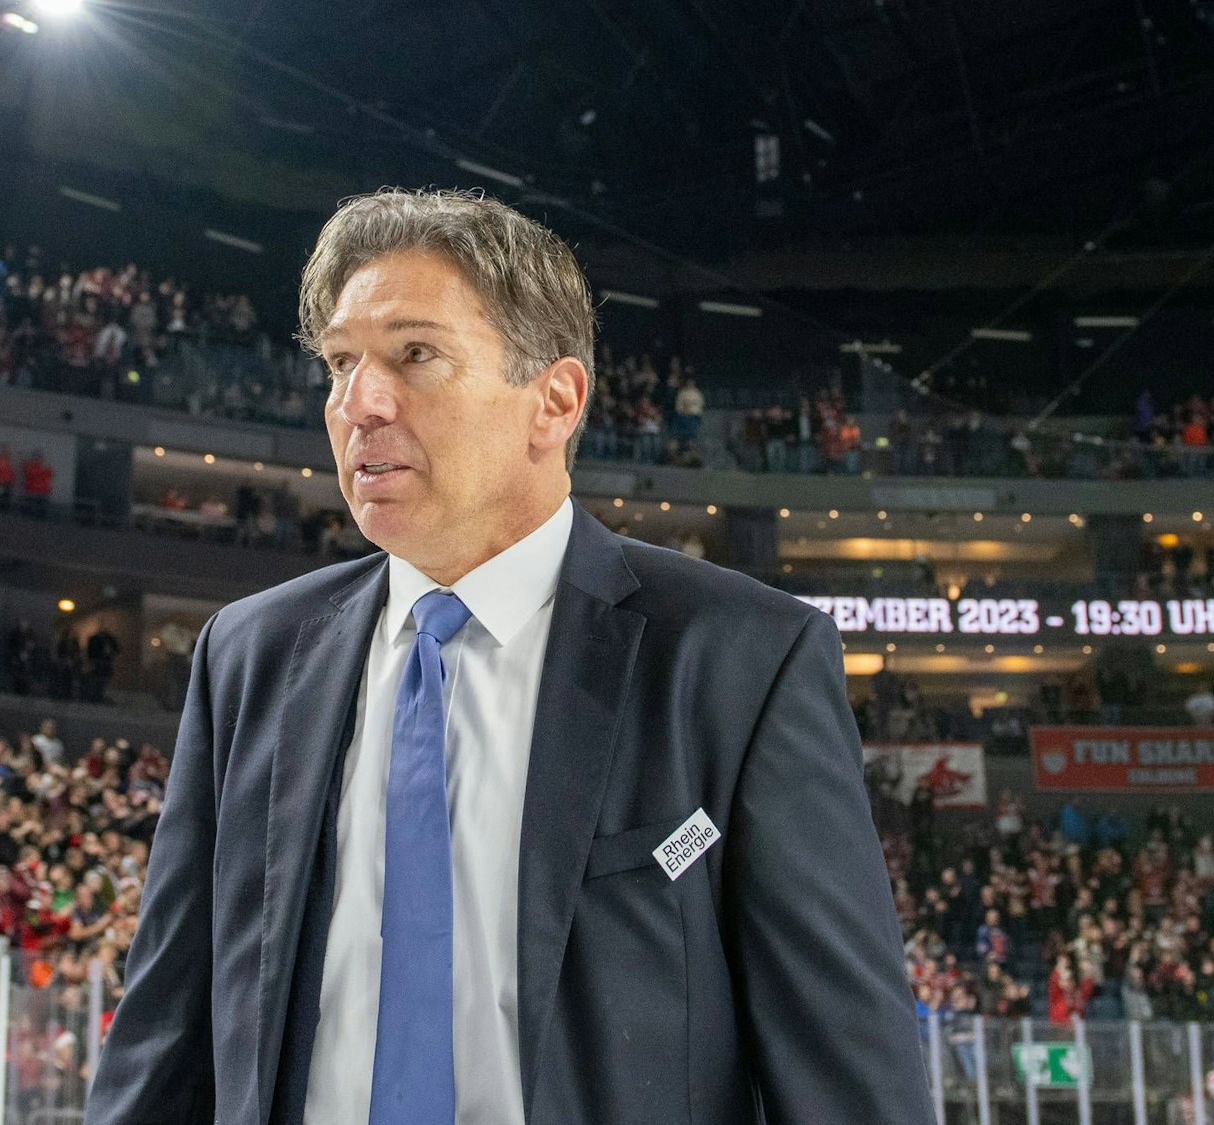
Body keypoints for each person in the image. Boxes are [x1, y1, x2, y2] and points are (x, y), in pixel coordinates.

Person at [87, 189, 928, 1125]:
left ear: (553, 402)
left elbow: (853, 1084)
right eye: (339, 363)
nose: (358, 402)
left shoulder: (743, 659)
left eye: (415, 354)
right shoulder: (249, 656)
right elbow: (164, 1044)